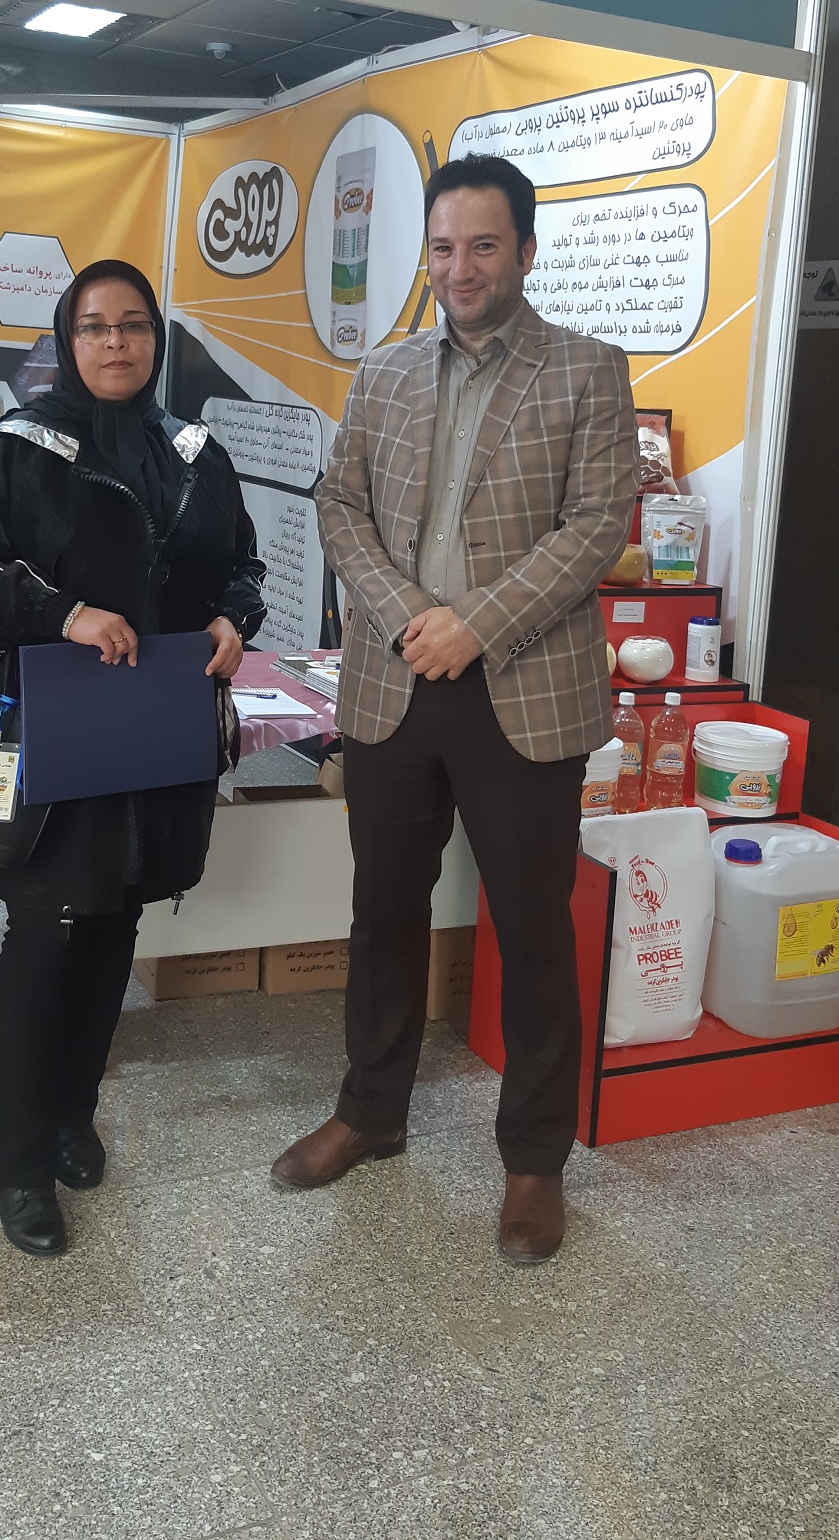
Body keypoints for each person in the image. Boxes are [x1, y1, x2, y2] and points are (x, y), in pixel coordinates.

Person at [272, 154, 637, 1264]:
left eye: (483, 245)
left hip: (523, 691)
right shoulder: (383, 373)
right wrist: (408, 617)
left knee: (531, 930)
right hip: (394, 684)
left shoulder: (586, 371)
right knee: (383, 910)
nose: (460, 267)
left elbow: (596, 524)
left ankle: (533, 1158)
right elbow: (341, 505)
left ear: (525, 250)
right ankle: (371, 1111)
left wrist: (476, 622)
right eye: (443, 247)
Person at [0, 260, 266, 1258]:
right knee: (44, 931)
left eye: (133, 324)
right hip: (54, 726)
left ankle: (74, 1112)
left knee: (116, 919)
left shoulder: (194, 451)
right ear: (66, 340)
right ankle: (18, 1161)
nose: (115, 342)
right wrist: (64, 612)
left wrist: (232, 620)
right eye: (94, 326)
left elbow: (243, 564)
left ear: (156, 337)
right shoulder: (17, 447)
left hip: (156, 727)